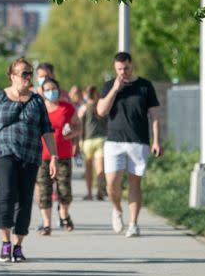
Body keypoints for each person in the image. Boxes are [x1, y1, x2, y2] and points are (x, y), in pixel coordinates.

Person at [0, 58, 58, 263]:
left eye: (29, 73)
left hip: (30, 155)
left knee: (25, 199)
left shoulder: (37, 100)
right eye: (24, 73)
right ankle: (5, 243)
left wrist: (54, 157)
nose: (28, 77)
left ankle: (18, 244)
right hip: (4, 153)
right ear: (12, 76)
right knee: (6, 194)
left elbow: (47, 130)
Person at [96, 52, 162, 238]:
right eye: (119, 69)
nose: (123, 72)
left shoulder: (145, 86)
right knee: (111, 185)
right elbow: (101, 111)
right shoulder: (110, 85)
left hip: (138, 141)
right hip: (114, 142)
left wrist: (156, 140)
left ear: (131, 65)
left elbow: (155, 117)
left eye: (126, 68)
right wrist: (115, 89)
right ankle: (117, 210)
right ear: (114, 68)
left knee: (135, 184)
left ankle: (133, 223)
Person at [36, 77, 80, 235]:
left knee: (64, 190)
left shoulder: (67, 108)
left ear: (59, 90)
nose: (50, 92)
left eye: (53, 88)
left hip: (63, 155)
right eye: (47, 89)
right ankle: (47, 224)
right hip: (43, 156)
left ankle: (64, 215)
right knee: (44, 190)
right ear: (41, 91)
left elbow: (78, 126)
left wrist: (73, 133)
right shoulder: (38, 108)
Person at [78, 85, 108, 201]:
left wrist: (80, 140)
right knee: (100, 169)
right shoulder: (101, 107)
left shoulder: (83, 108)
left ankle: (89, 193)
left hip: (87, 141)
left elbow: (80, 126)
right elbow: (107, 123)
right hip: (101, 140)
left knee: (88, 169)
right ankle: (100, 191)